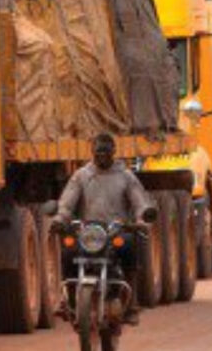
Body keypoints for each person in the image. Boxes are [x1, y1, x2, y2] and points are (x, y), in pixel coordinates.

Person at [51, 132, 157, 323]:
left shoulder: (125, 176)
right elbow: (67, 203)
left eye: (105, 152)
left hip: (117, 231)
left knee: (130, 247)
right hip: (88, 233)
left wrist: (142, 219)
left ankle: (131, 303)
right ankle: (68, 300)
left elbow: (140, 201)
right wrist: (60, 218)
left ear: (113, 152)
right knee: (67, 251)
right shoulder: (82, 175)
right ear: (92, 152)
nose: (101, 156)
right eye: (98, 152)